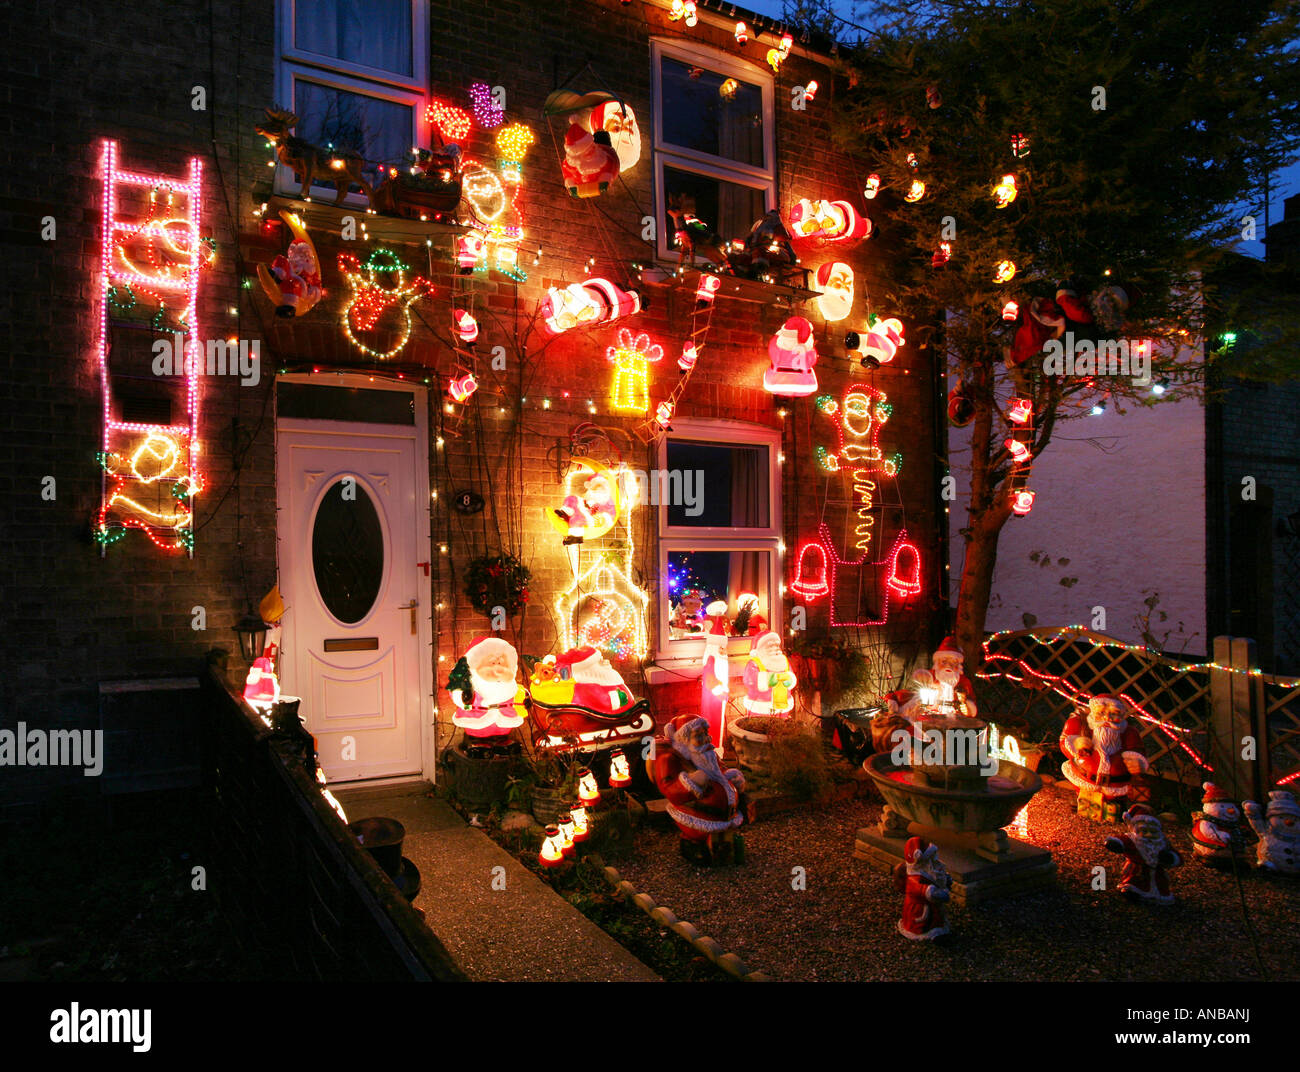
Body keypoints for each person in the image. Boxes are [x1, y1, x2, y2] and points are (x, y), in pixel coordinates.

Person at [652, 715, 750, 866]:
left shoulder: (709, 754)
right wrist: (691, 782)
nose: (706, 739)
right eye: (698, 736)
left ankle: (723, 849)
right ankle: (696, 849)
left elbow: (719, 770)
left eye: (706, 734)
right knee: (699, 845)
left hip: (724, 815)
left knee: (724, 843)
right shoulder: (671, 759)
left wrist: (731, 777)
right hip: (698, 816)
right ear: (684, 740)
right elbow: (668, 787)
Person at [1059, 694, 1149, 805]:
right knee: (1086, 804)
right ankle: (1082, 802)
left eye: (1114, 714)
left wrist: (1137, 762)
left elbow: (1138, 751)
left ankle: (1114, 806)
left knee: (1113, 806)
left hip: (1116, 785)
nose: (1107, 718)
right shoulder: (1082, 725)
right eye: (1101, 713)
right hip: (1084, 779)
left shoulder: (1129, 732)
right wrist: (1077, 744)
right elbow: (1065, 742)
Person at [447, 636, 527, 746]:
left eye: (501, 663)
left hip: (504, 724)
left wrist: (524, 702)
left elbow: (518, 697)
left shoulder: (509, 685)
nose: (497, 668)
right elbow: (456, 693)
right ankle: (477, 742)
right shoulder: (472, 682)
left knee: (502, 742)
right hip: (476, 723)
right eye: (493, 663)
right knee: (478, 739)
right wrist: (464, 697)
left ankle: (501, 742)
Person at [1104, 804, 1181, 903]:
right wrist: (1115, 843)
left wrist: (1171, 858)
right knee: (1135, 881)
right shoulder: (1134, 840)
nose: (1149, 834)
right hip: (1138, 870)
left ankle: (1158, 895)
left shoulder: (1162, 843)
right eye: (1144, 831)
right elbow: (1123, 840)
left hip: (1157, 872)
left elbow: (1177, 856)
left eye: (1152, 832)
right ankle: (1133, 891)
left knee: (1160, 883)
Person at [894, 836, 951, 940]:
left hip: (930, 906)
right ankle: (931, 934)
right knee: (925, 924)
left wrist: (945, 881)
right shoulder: (914, 879)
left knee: (935, 918)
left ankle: (936, 929)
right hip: (921, 910)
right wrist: (944, 893)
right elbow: (930, 892)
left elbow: (936, 880)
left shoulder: (927, 871)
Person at [742, 630, 797, 717]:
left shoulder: (783, 662)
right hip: (760, 705)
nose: (775, 648)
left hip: (782, 705)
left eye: (777, 645)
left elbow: (791, 677)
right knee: (760, 724)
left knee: (782, 723)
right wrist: (770, 679)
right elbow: (750, 680)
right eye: (770, 645)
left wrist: (789, 680)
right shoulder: (754, 663)